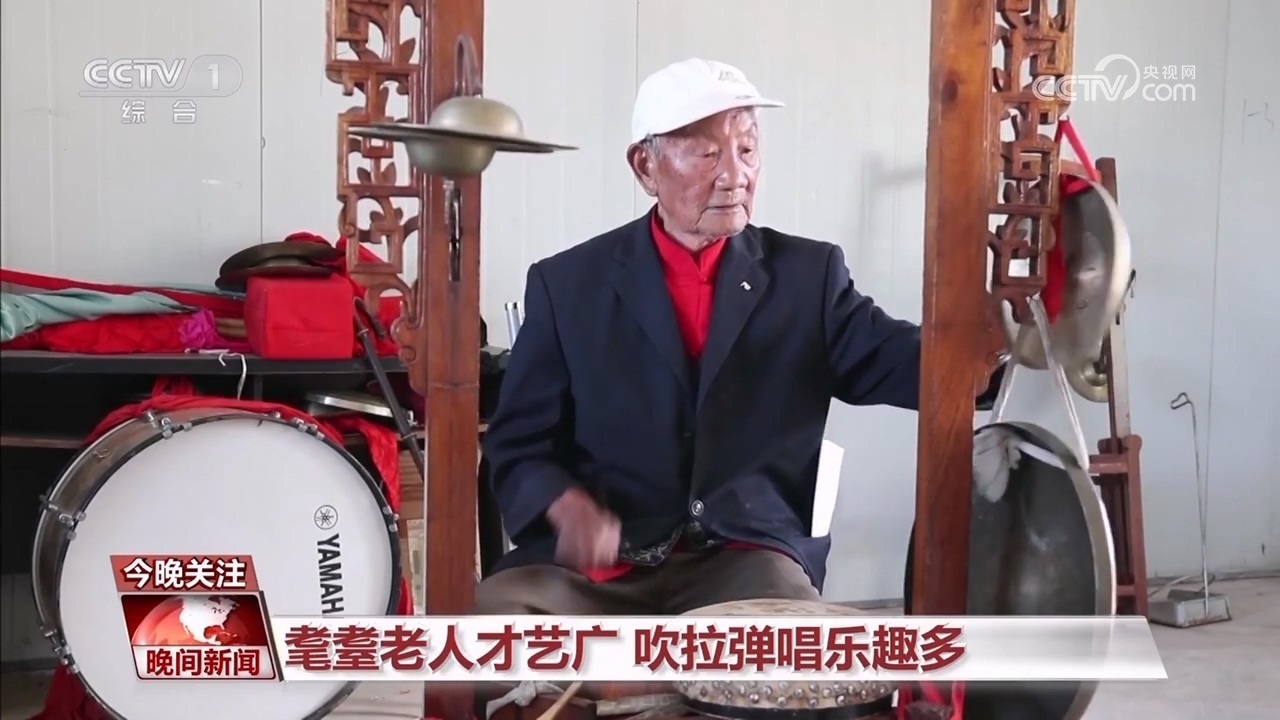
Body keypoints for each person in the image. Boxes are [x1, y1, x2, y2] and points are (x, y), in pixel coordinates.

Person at [476, 58, 998, 615]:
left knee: (791, 642)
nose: (735, 175)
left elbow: (915, 367)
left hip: (746, 557)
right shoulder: (568, 284)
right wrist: (564, 506)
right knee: (490, 622)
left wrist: (997, 339)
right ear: (645, 167)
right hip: (598, 567)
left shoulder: (808, 277)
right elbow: (517, 444)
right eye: (707, 155)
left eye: (747, 149)